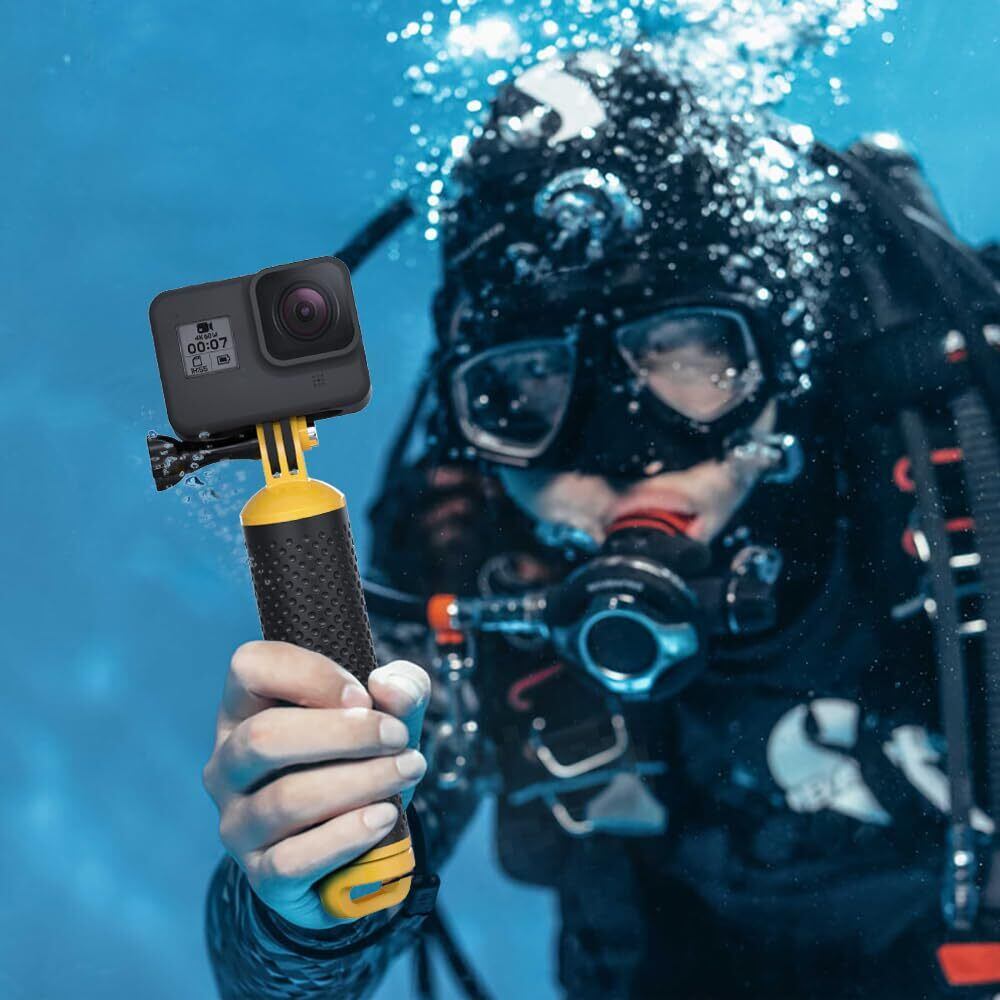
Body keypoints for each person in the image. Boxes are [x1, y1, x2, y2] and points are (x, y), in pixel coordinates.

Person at [202, 50, 1000, 998]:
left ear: (780, 354)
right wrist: (298, 914)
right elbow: (285, 985)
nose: (624, 457)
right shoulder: (467, 550)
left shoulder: (955, 440)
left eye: (690, 354)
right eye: (529, 385)